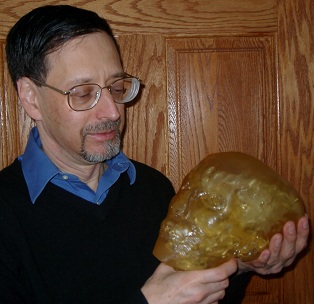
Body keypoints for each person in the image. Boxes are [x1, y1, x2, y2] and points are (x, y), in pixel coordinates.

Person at [0, 5, 309, 304]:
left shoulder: (152, 188)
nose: (113, 112)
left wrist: (238, 266)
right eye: (83, 94)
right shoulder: (7, 214)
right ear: (31, 99)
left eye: (116, 87)